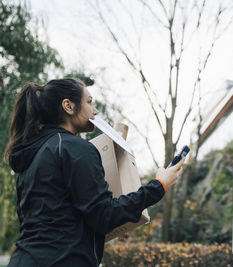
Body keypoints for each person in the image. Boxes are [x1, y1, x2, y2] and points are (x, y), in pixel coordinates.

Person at [4, 78, 184, 267]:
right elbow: (103, 215)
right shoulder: (74, 148)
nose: (95, 111)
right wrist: (159, 186)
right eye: (89, 102)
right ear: (68, 105)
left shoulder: (34, 153)